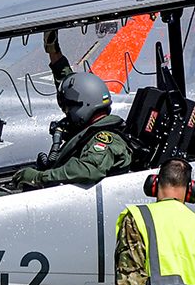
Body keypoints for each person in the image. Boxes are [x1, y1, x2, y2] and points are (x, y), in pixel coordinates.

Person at [11, 30, 132, 190]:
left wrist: (39, 177)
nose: (66, 113)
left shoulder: (105, 138)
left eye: (68, 108)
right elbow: (71, 86)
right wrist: (53, 51)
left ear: (84, 106)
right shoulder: (89, 126)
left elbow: (88, 170)